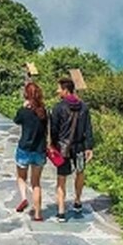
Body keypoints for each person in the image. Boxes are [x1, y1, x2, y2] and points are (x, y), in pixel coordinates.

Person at [50, 76, 94, 222]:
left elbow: (54, 130)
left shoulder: (58, 108)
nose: (57, 91)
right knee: (80, 172)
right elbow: (88, 128)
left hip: (63, 149)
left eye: (59, 89)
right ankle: (77, 201)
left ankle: (61, 212)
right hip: (80, 146)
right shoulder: (84, 107)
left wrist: (53, 145)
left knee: (61, 178)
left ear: (65, 90)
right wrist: (89, 146)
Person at [13, 81, 48, 221]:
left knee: (21, 177)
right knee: (36, 183)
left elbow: (16, 120)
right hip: (39, 151)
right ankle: (38, 214)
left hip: (24, 149)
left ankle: (23, 198)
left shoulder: (24, 112)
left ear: (26, 95)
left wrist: (23, 107)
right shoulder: (43, 112)